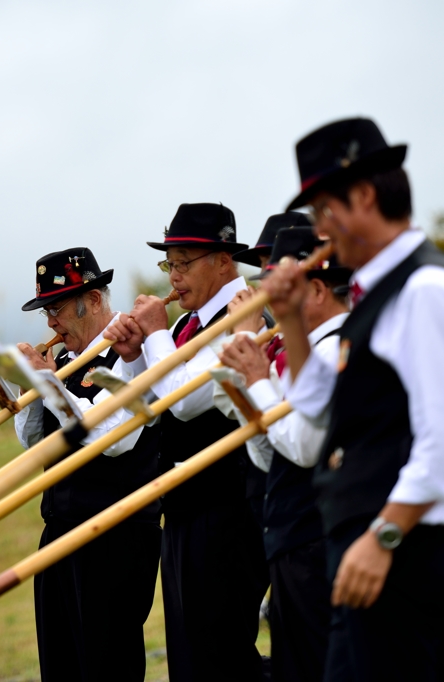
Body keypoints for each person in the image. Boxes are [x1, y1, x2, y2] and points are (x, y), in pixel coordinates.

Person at [262, 117, 444, 681]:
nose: (321, 233)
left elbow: (440, 444)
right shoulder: (372, 294)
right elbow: (317, 405)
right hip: (366, 553)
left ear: (364, 195)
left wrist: (384, 534)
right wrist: (291, 318)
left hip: (402, 554)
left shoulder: (424, 290)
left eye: (324, 213)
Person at [107, 203, 269, 681]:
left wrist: (155, 336)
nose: (173, 277)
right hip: (182, 505)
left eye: (183, 263)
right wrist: (135, 355)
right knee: (189, 655)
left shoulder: (245, 316)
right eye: (169, 264)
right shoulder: (183, 327)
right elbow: (145, 409)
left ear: (223, 261)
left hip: (229, 507)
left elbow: (185, 401)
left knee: (222, 653)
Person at [12, 247, 162, 681]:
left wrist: (47, 382)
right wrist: (28, 389)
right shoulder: (63, 362)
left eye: (56, 308)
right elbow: (36, 443)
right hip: (60, 527)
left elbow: (111, 438)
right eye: (46, 312)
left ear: (94, 300)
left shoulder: (130, 355)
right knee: (61, 665)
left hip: (114, 532)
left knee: (105, 663)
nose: (50, 323)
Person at [220, 227, 351, 682]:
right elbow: (267, 453)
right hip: (293, 540)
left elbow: (305, 447)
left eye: (279, 289)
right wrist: (244, 386)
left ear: (315, 289)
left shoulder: (335, 348)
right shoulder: (305, 351)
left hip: (319, 542)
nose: (265, 302)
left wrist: (257, 380)